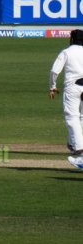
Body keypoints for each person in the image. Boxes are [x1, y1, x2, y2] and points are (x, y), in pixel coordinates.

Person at [49, 29, 83, 170]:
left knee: (72, 118)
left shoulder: (67, 52)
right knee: (81, 118)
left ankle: (80, 153)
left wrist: (52, 87)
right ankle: (74, 145)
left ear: (72, 39)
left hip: (73, 88)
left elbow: (54, 71)